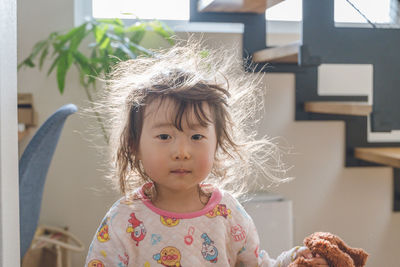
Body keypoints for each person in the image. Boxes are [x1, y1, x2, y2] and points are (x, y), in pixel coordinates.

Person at [85, 40, 329, 267]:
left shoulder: (226, 211)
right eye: (164, 137)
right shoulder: (124, 218)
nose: (181, 152)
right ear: (134, 145)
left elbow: (258, 264)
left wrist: (292, 260)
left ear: (217, 143)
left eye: (196, 137)